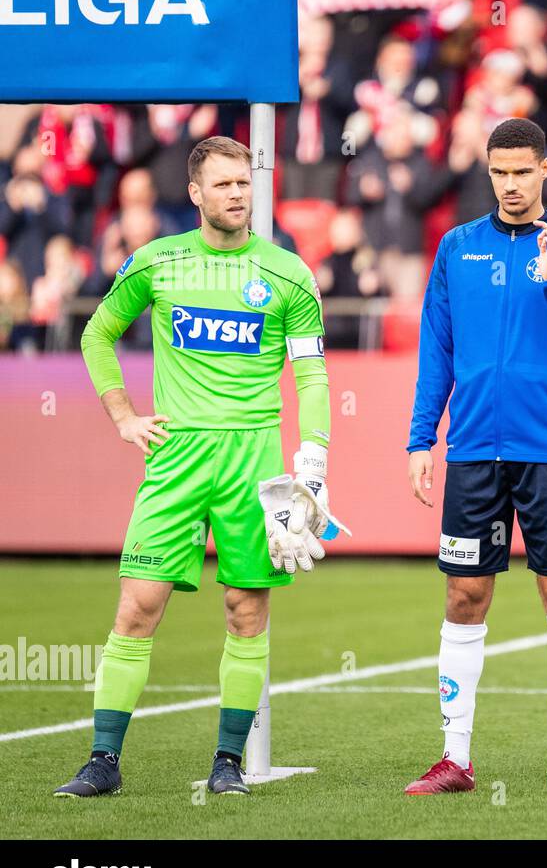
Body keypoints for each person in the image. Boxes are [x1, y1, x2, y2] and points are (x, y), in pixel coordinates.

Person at [57, 137, 341, 798]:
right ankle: (102, 760)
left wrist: (314, 460)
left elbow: (313, 374)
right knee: (137, 607)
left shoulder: (288, 274)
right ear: (195, 193)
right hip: (176, 460)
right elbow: (97, 333)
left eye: (244, 182)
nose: (237, 194)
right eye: (222, 185)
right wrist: (125, 415)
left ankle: (228, 763)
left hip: (254, 461)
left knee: (246, 610)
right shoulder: (158, 262)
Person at [405, 118, 547, 796]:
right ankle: (455, 758)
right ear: (488, 173)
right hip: (471, 452)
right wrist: (420, 439)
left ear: (546, 171)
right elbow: (436, 350)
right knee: (465, 597)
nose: (511, 184)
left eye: (523, 171)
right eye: (499, 172)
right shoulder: (456, 249)